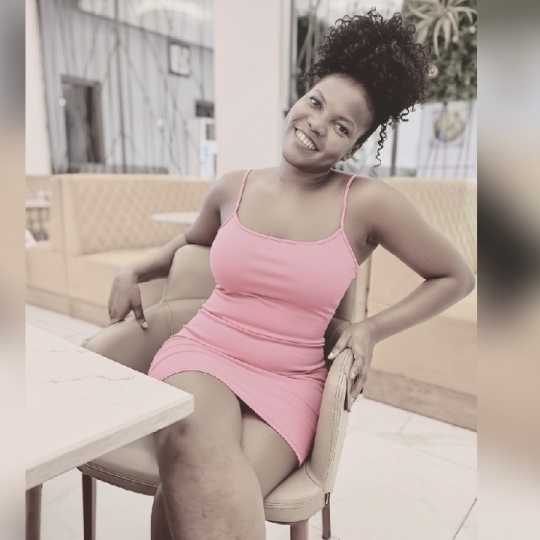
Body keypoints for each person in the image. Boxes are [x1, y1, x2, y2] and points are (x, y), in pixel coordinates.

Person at [107, 9, 476, 540]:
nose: (317, 124)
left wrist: (370, 329)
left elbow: (455, 276)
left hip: (291, 383)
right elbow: (193, 241)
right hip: (202, 354)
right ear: (300, 98)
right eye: (316, 103)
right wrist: (137, 266)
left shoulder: (367, 203)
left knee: (189, 500)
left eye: (342, 126)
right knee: (191, 453)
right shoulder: (232, 186)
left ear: (354, 146)